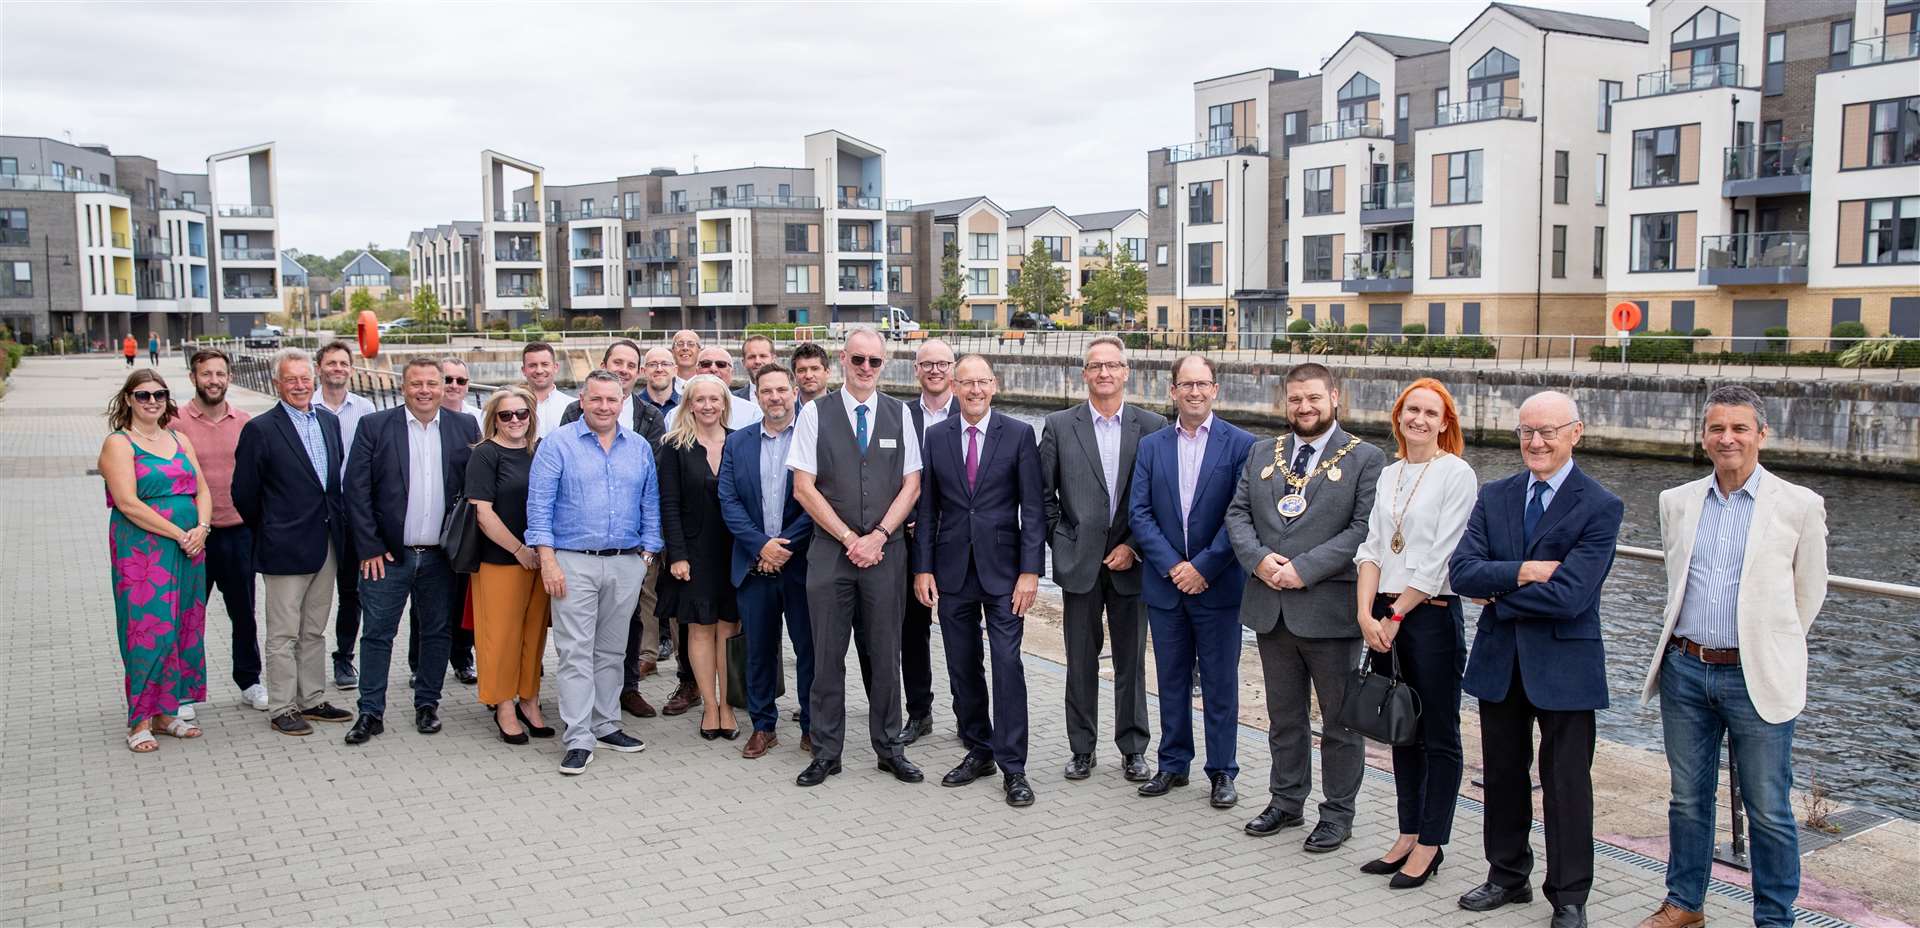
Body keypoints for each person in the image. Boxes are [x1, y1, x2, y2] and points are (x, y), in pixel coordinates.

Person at [1634, 385, 1828, 928]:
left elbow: (1809, 593)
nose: (1728, 438)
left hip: (1755, 674)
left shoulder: (1799, 505)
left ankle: (1773, 917)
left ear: (1762, 435)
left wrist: (1769, 646)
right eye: (1717, 428)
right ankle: (1685, 905)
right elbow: (1678, 582)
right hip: (1685, 670)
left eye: (1740, 428)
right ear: (1704, 437)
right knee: (1687, 799)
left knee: (1768, 810)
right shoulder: (1677, 501)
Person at [1450, 391, 1624, 928]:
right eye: (1527, 431)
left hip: (1565, 667)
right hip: (1501, 662)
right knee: (1502, 775)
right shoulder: (1495, 494)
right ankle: (1506, 876)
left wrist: (1498, 592)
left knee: (1567, 782)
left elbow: (1571, 596)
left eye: (1549, 431)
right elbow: (1461, 573)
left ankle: (1569, 895)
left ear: (1576, 433)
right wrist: (1524, 572)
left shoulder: (1600, 505)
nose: (1537, 441)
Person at [1225, 362, 1385, 852]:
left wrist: (1305, 568)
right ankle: (1286, 800)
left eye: (1314, 397)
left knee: (1340, 723)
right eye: (1295, 399)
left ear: (1335, 397)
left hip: (1330, 612)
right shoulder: (1261, 452)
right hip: (1271, 606)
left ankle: (1337, 814)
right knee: (1284, 716)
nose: (1304, 407)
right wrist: (1258, 561)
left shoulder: (1367, 458)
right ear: (1285, 402)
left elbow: (1363, 530)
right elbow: (1237, 514)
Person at [1350, 378, 1477, 887]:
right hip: (1383, 613)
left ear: (1445, 422)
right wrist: (1365, 615)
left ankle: (1431, 842)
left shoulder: (1456, 474)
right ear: (1399, 418)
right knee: (1401, 728)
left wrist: (1396, 615)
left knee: (1439, 734)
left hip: (1429, 615)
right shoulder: (1390, 474)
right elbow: (1373, 548)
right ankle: (1406, 832)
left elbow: (1441, 555)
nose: (1419, 419)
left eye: (1431, 412)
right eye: (1411, 410)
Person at [787, 326, 924, 788]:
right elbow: (804, 487)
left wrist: (880, 535)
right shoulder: (814, 414)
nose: (866, 368)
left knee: (886, 656)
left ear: (884, 364)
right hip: (830, 553)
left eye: (875, 361)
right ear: (842, 359)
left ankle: (890, 748)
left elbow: (912, 485)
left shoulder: (899, 414)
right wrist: (850, 537)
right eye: (859, 359)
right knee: (827, 656)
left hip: (886, 554)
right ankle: (827, 752)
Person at [913, 356, 1044, 807]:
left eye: (981, 382)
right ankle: (978, 750)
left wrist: (1031, 571)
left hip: (1006, 573)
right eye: (965, 382)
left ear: (995, 386)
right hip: (951, 571)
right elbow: (928, 509)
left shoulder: (1020, 434)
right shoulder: (936, 436)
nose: (973, 390)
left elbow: (1034, 508)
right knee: (961, 665)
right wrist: (923, 568)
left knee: (1007, 665)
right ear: (953, 385)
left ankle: (1014, 767)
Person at [1127, 354, 1254, 806]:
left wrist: (1204, 566)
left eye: (1203, 384)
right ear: (1173, 390)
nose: (1195, 392)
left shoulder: (1242, 445)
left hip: (1218, 586)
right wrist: (1173, 566)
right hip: (1165, 586)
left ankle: (1222, 770)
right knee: (1171, 679)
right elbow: (1138, 514)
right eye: (1186, 384)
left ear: (1215, 389)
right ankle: (1173, 764)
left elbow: (1241, 516)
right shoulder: (1152, 445)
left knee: (1220, 684)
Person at [1040, 334, 1164, 783]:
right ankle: (1081, 749)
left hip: (1133, 562)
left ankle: (1133, 748)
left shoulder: (1151, 427)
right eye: (1096, 366)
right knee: (1080, 659)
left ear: (1126, 371)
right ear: (1084, 374)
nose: (1104, 373)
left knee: (1131, 661)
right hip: (1079, 563)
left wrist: (1134, 546)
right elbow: (1043, 498)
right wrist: (1064, 542)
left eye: (1112, 365)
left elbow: (1159, 500)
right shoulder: (1058, 426)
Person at [526, 370, 661, 775]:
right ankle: (579, 735)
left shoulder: (637, 446)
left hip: (626, 562)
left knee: (612, 650)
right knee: (575, 651)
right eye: (597, 399)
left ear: (623, 402)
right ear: (582, 400)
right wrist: (548, 560)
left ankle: (606, 724)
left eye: (612, 400)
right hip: (573, 560)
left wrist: (648, 556)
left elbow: (650, 503)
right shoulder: (558, 445)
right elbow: (539, 508)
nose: (605, 407)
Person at [342, 357, 480, 745]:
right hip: (387, 556)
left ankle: (428, 705)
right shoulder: (374, 426)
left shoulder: (463, 426)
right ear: (403, 386)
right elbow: (356, 491)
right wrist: (369, 546)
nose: (425, 390)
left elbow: (471, 490)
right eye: (416, 383)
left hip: (440, 555)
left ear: (443, 388)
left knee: (437, 632)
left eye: (432, 384)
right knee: (377, 634)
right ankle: (370, 712)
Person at [232, 348, 353, 736]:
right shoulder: (261, 429)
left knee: (314, 629)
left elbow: (332, 485)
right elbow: (244, 493)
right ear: (276, 383)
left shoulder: (328, 423)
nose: (300, 385)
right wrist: (272, 527)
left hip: (326, 542)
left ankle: (312, 698)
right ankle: (283, 706)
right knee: (283, 633)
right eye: (291, 379)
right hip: (283, 545)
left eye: (305, 378)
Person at [100, 370, 210, 752]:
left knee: (183, 625)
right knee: (147, 629)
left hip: (189, 546)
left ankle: (167, 712)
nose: (152, 401)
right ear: (128, 398)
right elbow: (128, 503)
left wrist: (202, 527)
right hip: (143, 550)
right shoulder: (119, 443)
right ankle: (139, 721)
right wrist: (179, 533)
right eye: (143, 395)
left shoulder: (179, 438)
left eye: (159, 394)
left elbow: (202, 488)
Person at [559, 340, 666, 718]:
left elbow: (650, 486)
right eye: (616, 362)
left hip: (628, 551)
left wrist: (648, 550)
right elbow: (549, 494)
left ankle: (618, 703)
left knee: (622, 634)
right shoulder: (567, 426)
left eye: (630, 364)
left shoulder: (646, 424)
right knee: (578, 642)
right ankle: (579, 721)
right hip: (577, 553)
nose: (605, 406)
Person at [717, 363, 815, 758]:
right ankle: (763, 725)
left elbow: (820, 500)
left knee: (809, 650)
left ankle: (812, 725)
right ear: (756, 397)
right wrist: (761, 546)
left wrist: (784, 546)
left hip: (802, 564)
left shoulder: (812, 440)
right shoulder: (738, 442)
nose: (774, 397)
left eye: (781, 390)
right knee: (758, 650)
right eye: (766, 391)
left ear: (794, 392)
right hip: (755, 566)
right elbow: (728, 500)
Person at [173, 348, 265, 711]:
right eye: (206, 374)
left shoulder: (245, 421)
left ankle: (250, 681)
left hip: (238, 533)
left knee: (244, 614)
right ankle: (183, 690)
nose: (214, 380)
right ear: (193, 377)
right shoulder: (175, 421)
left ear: (229, 377)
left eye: (220, 374)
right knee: (189, 616)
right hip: (194, 536)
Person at [466, 386, 554, 745]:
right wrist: (520, 550)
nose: (515, 420)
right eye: (506, 415)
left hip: (541, 559)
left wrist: (541, 554)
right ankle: (504, 706)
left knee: (534, 635)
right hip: (501, 559)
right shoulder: (485, 454)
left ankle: (530, 700)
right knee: (500, 637)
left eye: (522, 413)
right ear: (494, 419)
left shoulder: (542, 451)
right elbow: (483, 513)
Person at [658, 375, 741, 739]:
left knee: (729, 628)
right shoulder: (674, 446)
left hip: (735, 551)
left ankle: (728, 705)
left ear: (724, 402)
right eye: (699, 399)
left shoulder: (741, 441)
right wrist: (677, 554)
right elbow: (668, 505)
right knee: (700, 629)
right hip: (694, 552)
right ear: (688, 404)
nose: (707, 405)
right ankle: (709, 705)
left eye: (714, 398)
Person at [897, 337, 956, 745]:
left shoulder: (974, 412)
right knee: (911, 632)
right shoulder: (899, 417)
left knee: (961, 632)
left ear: (952, 369)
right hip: (910, 540)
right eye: (927, 364)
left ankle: (969, 714)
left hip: (958, 542)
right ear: (916, 370)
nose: (935, 370)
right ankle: (919, 713)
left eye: (942, 364)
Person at [314, 340, 376, 689]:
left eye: (343, 363)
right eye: (331, 363)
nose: (337, 368)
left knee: (352, 591)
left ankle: (344, 658)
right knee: (315, 587)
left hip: (353, 510)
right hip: (318, 512)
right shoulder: (306, 406)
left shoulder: (365, 408)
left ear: (350, 369)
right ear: (319, 368)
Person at [428, 356, 482, 684]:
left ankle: (462, 658)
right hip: (425, 525)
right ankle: (420, 663)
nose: (453, 386)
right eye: (447, 379)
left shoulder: (475, 420)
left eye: (460, 381)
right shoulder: (421, 420)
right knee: (427, 603)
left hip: (462, 526)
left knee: (462, 595)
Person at [664, 347, 761, 431]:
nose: (713, 369)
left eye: (721, 364)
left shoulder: (752, 413)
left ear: (732, 372)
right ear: (696, 370)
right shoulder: (674, 416)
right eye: (706, 364)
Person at [519, 341, 573, 440]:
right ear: (523, 370)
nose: (539, 370)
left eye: (544, 364)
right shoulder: (512, 409)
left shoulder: (572, 406)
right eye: (532, 365)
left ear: (555, 367)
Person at [638, 346, 680, 420]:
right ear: (643, 371)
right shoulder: (633, 405)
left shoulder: (687, 405)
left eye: (665, 364)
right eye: (652, 364)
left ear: (675, 370)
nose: (659, 369)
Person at [790, 341, 831, 406]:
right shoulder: (786, 413)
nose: (808, 376)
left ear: (827, 373)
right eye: (801, 370)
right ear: (794, 375)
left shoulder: (845, 409)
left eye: (815, 369)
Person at [737, 333, 774, 401]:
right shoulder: (732, 400)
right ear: (743, 362)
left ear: (773, 359)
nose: (757, 361)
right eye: (751, 357)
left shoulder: (791, 397)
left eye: (763, 356)